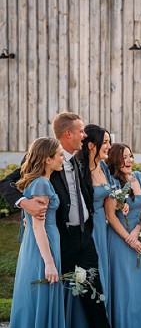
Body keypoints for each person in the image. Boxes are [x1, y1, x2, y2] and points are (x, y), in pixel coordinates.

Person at [0, 112, 110, 328]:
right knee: (56, 295)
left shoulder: (78, 159)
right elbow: (6, 182)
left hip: (84, 237)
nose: (84, 135)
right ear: (68, 134)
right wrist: (24, 203)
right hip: (60, 239)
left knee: (93, 292)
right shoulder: (45, 156)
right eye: (80, 131)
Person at [9, 137, 66, 327]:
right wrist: (49, 263)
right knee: (43, 288)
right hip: (43, 245)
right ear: (47, 160)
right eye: (59, 155)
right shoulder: (41, 184)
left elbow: (33, 219)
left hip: (39, 242)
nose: (63, 158)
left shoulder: (38, 182)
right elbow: (38, 226)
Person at [104, 143, 141, 327]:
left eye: (130, 156)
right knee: (125, 288)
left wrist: (137, 230)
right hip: (119, 241)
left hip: (138, 236)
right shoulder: (110, 182)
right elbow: (110, 216)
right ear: (115, 160)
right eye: (124, 157)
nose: (129, 160)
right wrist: (128, 238)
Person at [68, 124, 113, 326]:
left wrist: (120, 204)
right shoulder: (78, 168)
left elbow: (108, 195)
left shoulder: (103, 166)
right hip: (88, 230)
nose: (109, 147)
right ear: (92, 145)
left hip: (103, 229)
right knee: (89, 277)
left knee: (101, 276)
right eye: (105, 143)